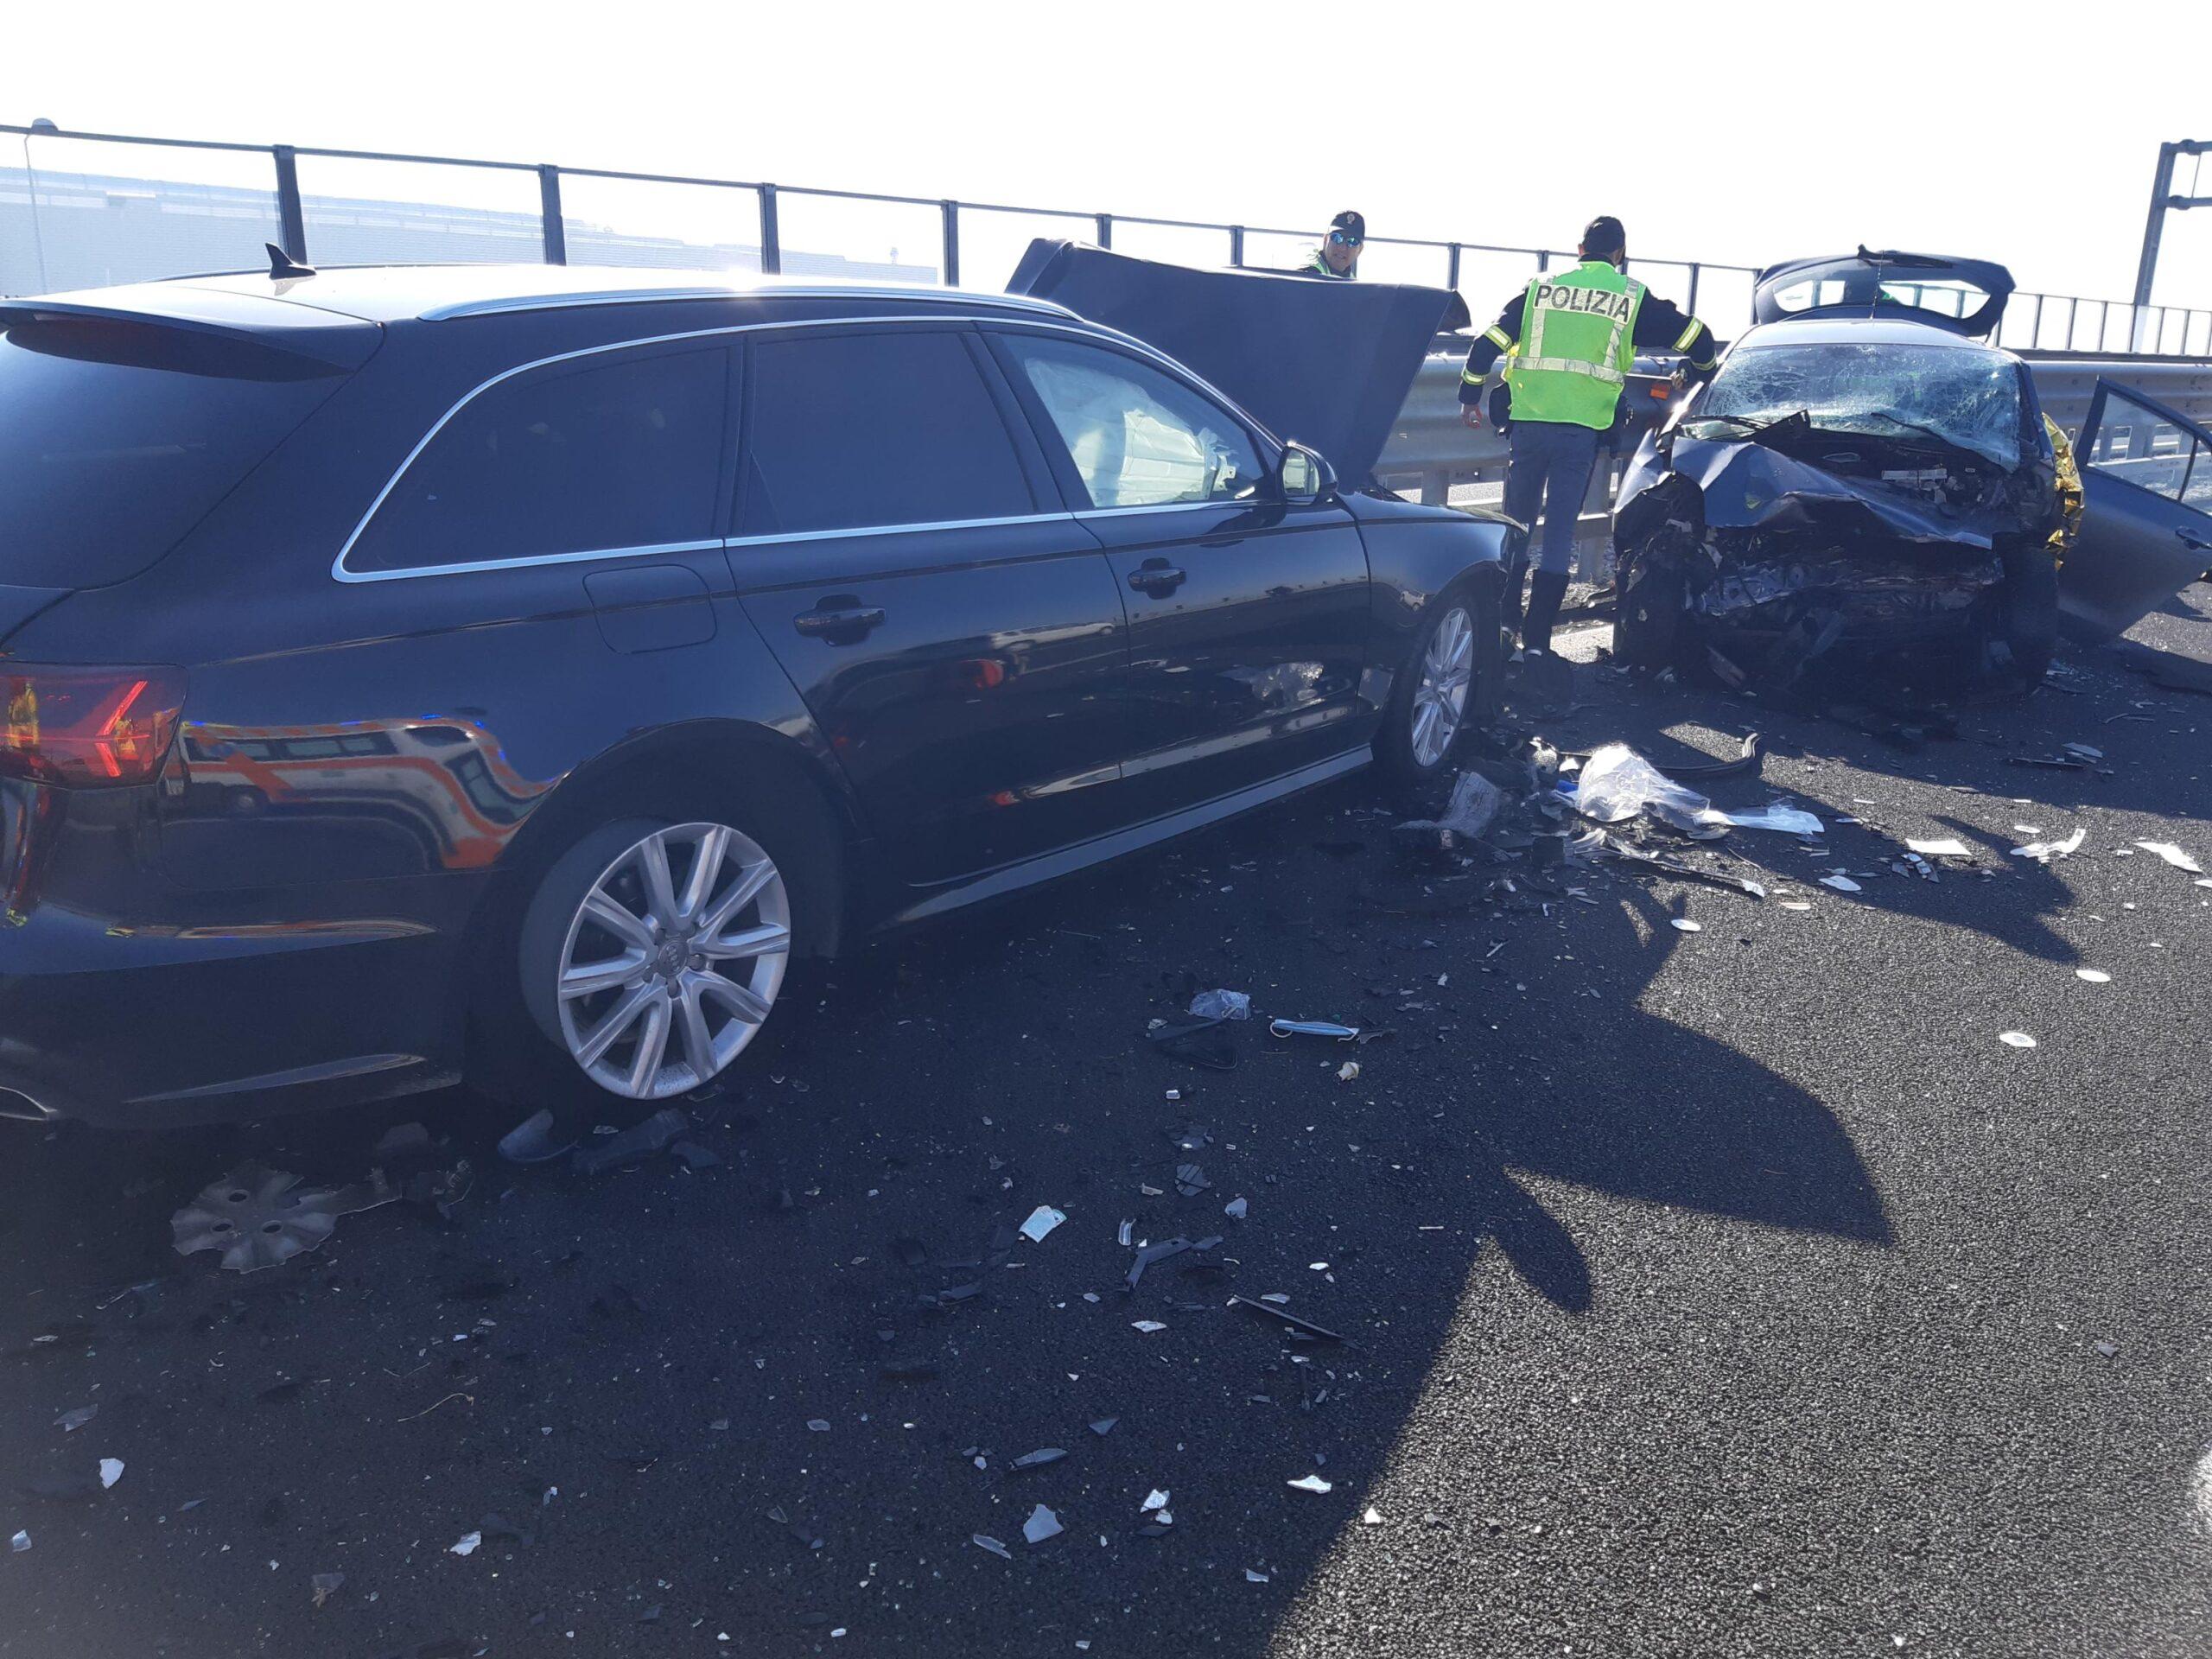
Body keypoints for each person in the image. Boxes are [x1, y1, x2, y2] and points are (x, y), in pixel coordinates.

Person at [1458, 215, 1718, 658]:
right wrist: (1699, 375)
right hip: (1580, 433)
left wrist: (1469, 393)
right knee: (1559, 534)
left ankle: (1501, 630)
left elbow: (1485, 346)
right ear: (1619, 254)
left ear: (1580, 249)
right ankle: (1538, 643)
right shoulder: (1632, 297)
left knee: (1515, 526)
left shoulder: (1542, 289)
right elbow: (1701, 339)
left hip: (1528, 427)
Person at [1300, 211, 1363, 279]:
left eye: (1352, 241)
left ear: (1360, 250)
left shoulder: (1352, 282)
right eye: (1336, 237)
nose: (1342, 248)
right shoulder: (1309, 274)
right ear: (1325, 240)